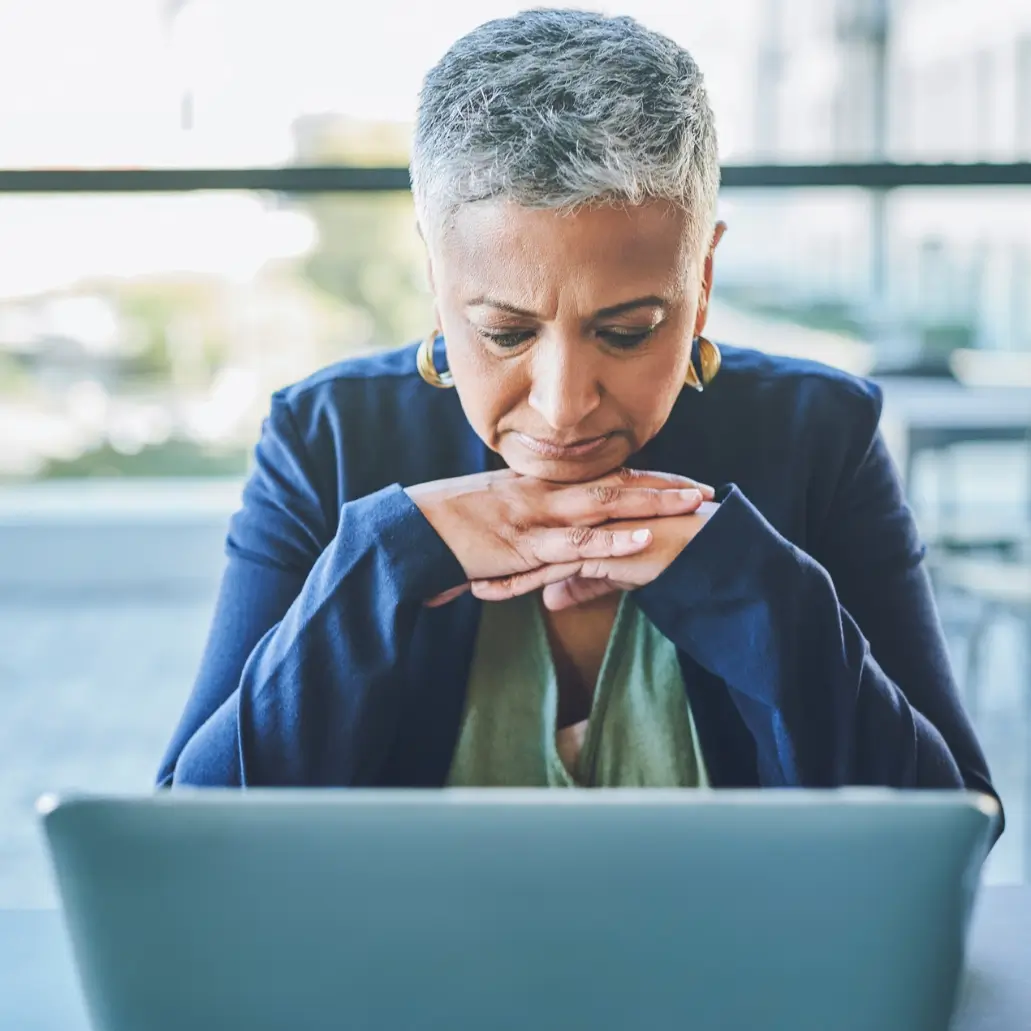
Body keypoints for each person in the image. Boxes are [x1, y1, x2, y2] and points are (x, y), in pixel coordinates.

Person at [158, 8, 999, 816]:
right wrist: (384, 563)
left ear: (701, 284)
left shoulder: (822, 437)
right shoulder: (324, 441)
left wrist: (751, 589)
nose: (564, 407)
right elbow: (185, 830)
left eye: (628, 331)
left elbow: (948, 819)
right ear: (435, 281)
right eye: (503, 331)